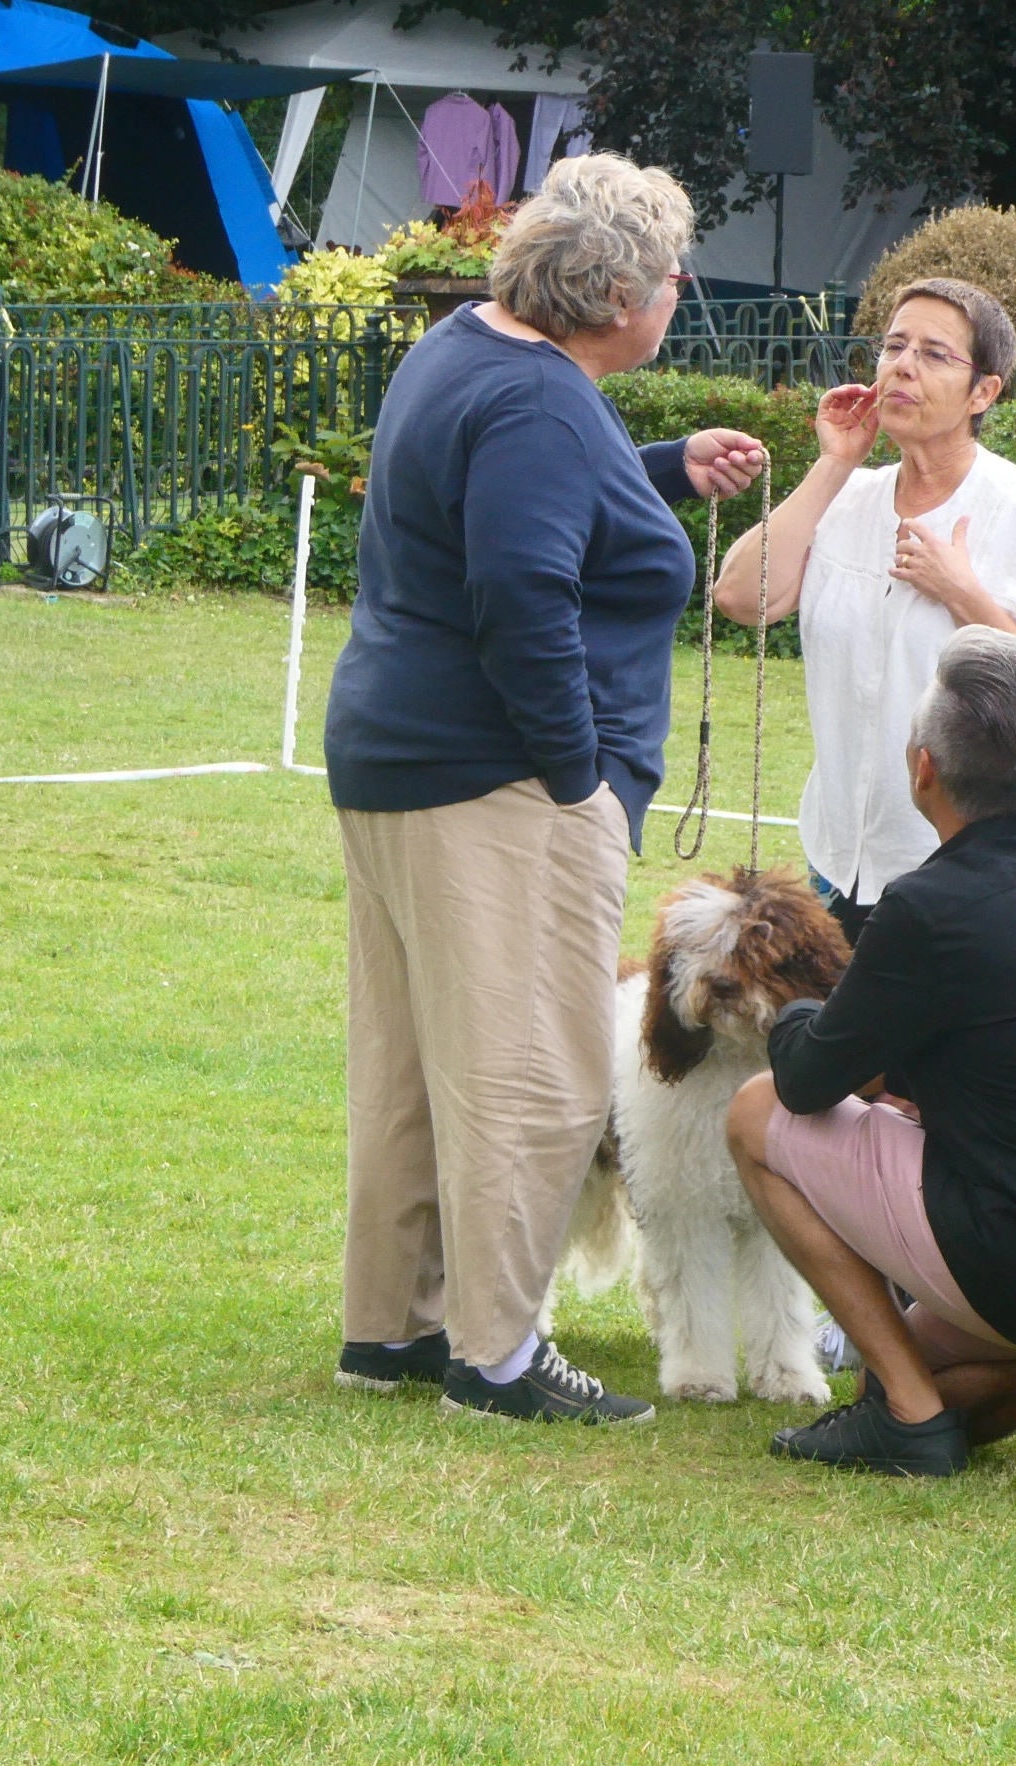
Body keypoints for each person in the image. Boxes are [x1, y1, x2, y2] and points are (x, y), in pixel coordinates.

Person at [323, 153, 766, 1426]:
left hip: (408, 758)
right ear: (616, 291)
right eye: (674, 272)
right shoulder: (532, 399)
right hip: (497, 779)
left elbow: (530, 493)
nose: (682, 292)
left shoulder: (474, 352)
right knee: (530, 1069)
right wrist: (575, 774)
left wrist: (666, 463)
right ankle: (497, 1355)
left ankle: (396, 1330)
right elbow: (520, 591)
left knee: (411, 1063)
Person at [725, 628, 1016, 1495]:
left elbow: (804, 1083)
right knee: (918, 1375)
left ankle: (907, 1417)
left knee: (754, 1114)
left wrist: (799, 1007)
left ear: (922, 770)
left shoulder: (926, 908)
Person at [710, 278, 1016, 943]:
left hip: (959, 869)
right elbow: (741, 596)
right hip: (836, 858)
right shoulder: (850, 498)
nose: (903, 366)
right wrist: (834, 464)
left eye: (936, 354)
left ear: (983, 393)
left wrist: (962, 592)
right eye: (893, 346)